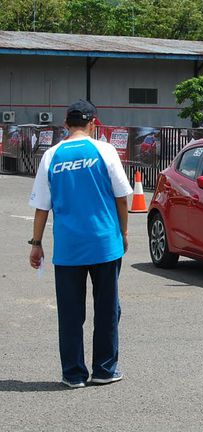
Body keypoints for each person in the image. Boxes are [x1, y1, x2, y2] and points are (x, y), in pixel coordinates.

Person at [28, 100, 133, 388]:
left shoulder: (51, 155)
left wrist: (36, 243)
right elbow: (122, 197)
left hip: (68, 248)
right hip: (104, 243)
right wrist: (122, 233)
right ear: (93, 123)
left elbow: (41, 206)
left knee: (71, 313)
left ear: (65, 124)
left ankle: (73, 374)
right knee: (107, 308)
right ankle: (104, 369)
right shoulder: (105, 150)